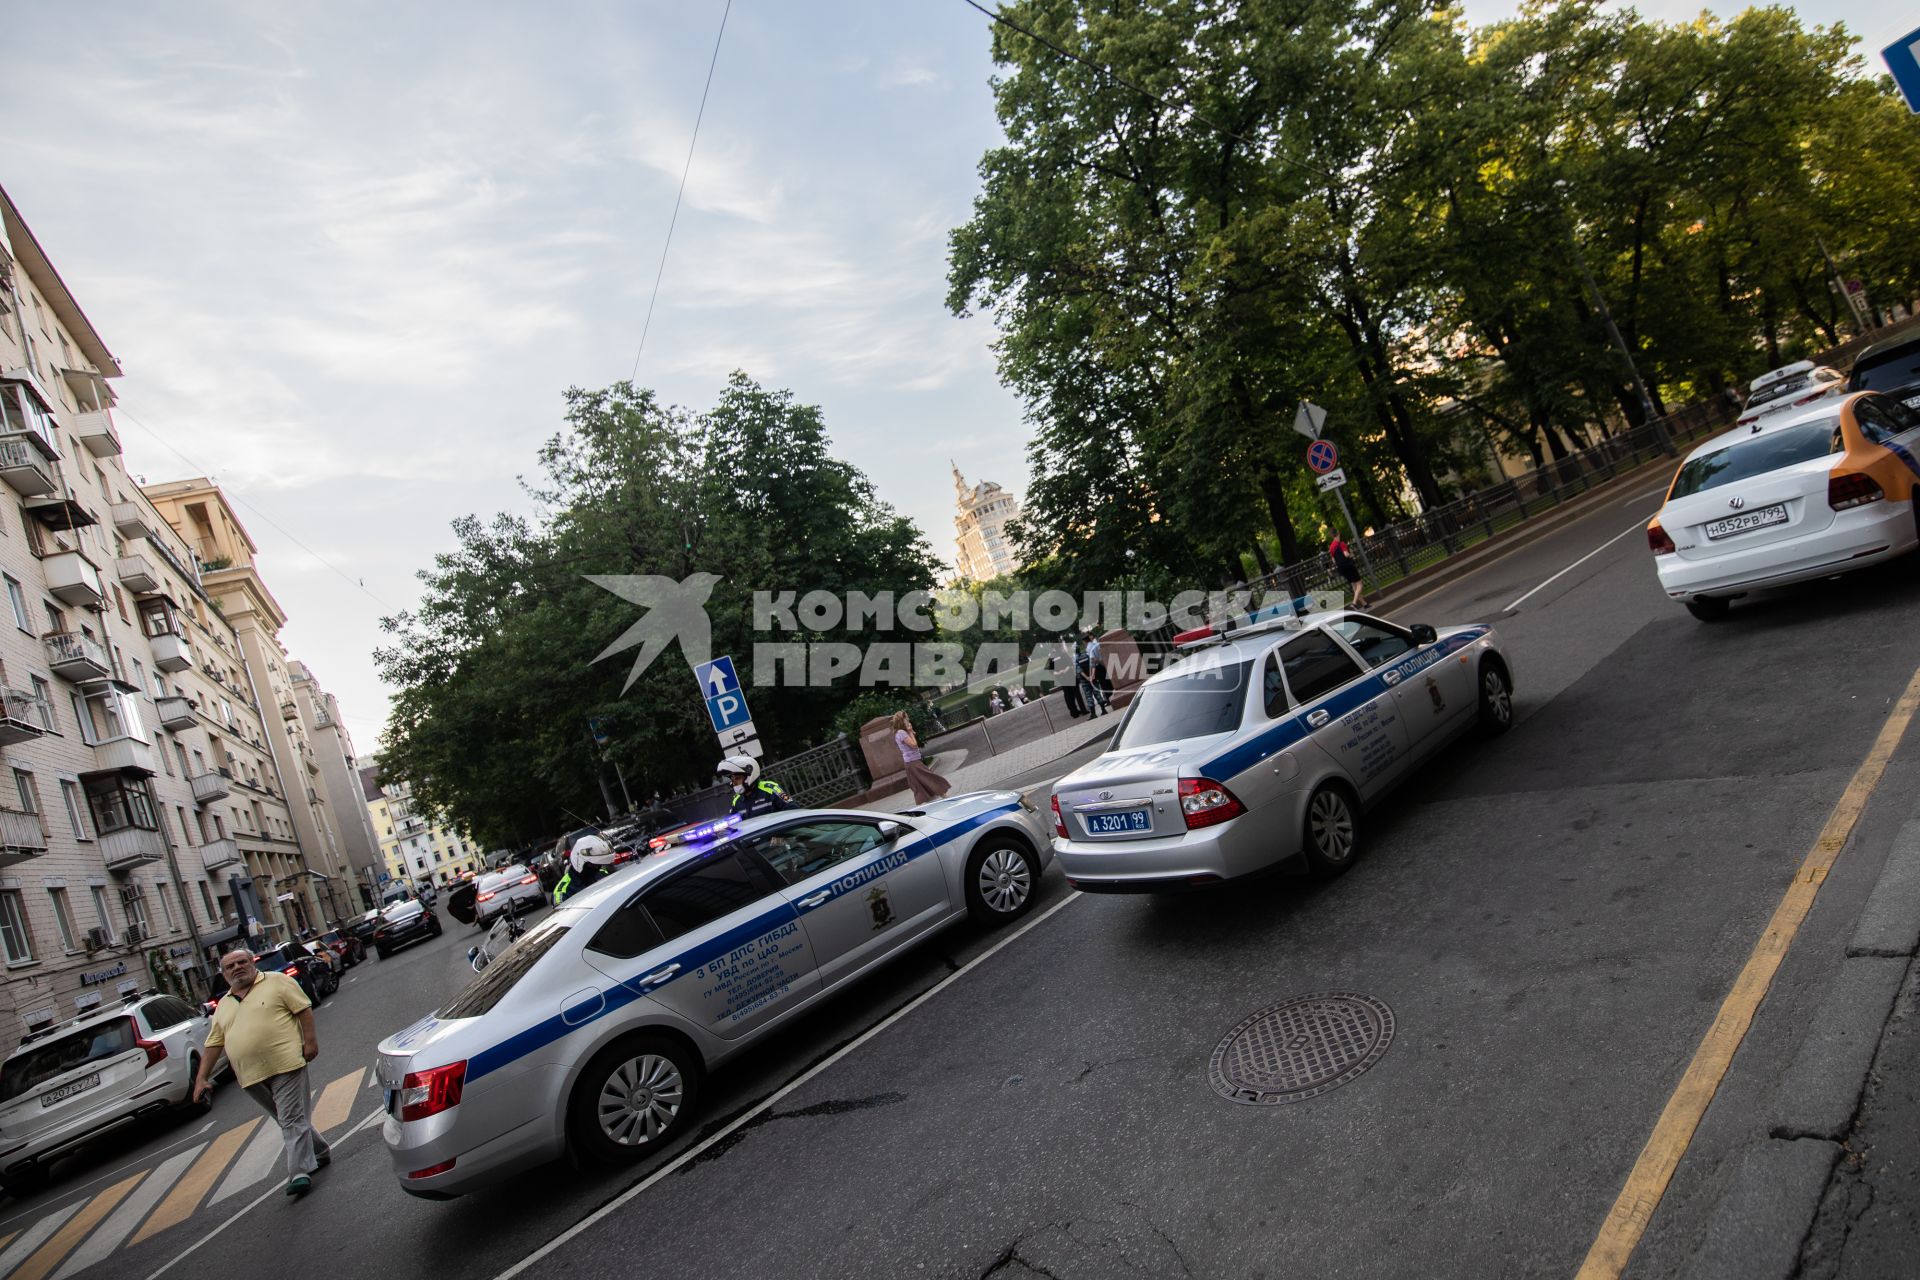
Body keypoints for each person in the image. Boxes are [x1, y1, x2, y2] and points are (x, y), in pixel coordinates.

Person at [192, 949, 329, 1198]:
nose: (237, 968)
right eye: (230, 965)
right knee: (287, 1118)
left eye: (242, 962)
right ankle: (319, 1150)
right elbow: (214, 1044)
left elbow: (303, 1010)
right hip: (250, 1076)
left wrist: (310, 1042)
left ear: (252, 963)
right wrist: (201, 1078)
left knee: (289, 1118)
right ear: (224, 974)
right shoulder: (223, 1006)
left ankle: (298, 1172)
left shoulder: (277, 982)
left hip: (286, 1062)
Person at [892, 710, 950, 805]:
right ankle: (943, 795)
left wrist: (910, 731)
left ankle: (928, 802)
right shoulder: (901, 733)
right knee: (929, 777)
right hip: (912, 762)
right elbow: (914, 745)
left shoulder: (900, 732)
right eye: (906, 717)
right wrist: (910, 732)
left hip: (911, 762)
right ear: (902, 720)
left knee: (919, 783)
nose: (908, 719)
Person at [717, 755, 794, 818]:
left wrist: (781, 835)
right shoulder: (737, 801)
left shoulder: (771, 789)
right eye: (732, 779)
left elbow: (793, 809)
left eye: (737, 778)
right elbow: (735, 825)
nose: (734, 783)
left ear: (749, 776)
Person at [552, 833, 618, 905]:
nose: (597, 868)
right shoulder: (563, 892)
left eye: (599, 865)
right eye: (593, 865)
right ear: (579, 862)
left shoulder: (602, 873)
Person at [1329, 534, 1367, 607]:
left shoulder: (1331, 547)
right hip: (1348, 566)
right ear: (1338, 534)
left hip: (1341, 568)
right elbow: (1346, 554)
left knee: (1353, 585)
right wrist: (1351, 554)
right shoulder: (1341, 543)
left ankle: (1364, 604)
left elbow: (1333, 560)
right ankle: (1354, 603)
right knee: (1359, 584)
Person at [1075, 637, 1110, 716]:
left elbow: (1079, 670)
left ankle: (1093, 714)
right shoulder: (1087, 654)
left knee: (1088, 696)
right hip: (1092, 677)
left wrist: (1087, 677)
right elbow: (1092, 664)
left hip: (1085, 680)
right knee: (1097, 693)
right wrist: (1092, 675)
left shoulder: (1076, 659)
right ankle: (1103, 710)